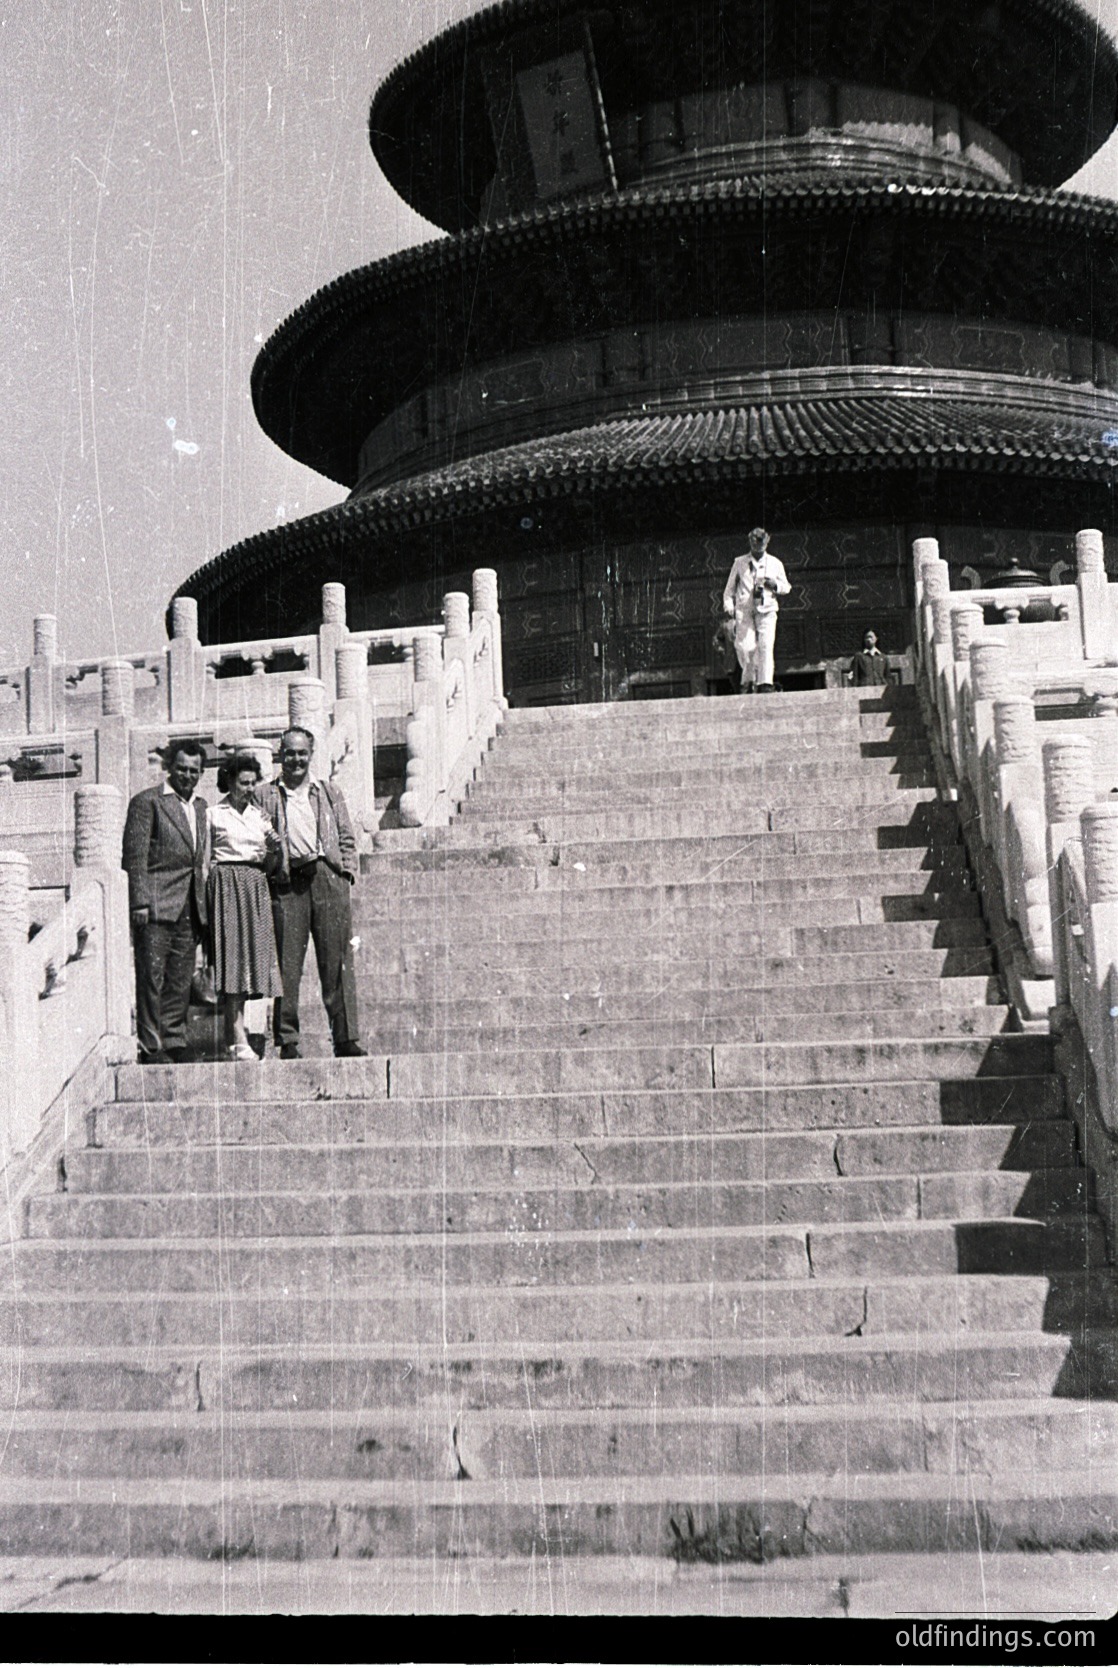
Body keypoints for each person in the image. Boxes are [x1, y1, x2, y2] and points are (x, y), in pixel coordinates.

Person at [256, 726, 367, 1060]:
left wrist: (345, 871)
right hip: (289, 882)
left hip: (327, 878)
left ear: (311, 754)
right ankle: (288, 1040)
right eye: (289, 752)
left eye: (302, 752)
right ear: (280, 755)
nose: (295, 759)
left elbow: (347, 835)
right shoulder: (266, 794)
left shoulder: (329, 791)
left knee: (337, 962)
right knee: (287, 965)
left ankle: (345, 1038)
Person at [121, 739, 209, 1064]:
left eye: (194, 771)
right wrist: (139, 902)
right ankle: (151, 1045)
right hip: (156, 904)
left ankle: (174, 1039)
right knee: (152, 977)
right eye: (182, 769)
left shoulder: (201, 807)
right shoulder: (147, 802)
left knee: (181, 977)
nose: (188, 776)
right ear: (170, 767)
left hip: (190, 905)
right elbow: (135, 857)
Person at [207, 753, 284, 1061]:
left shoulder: (260, 816)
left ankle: (240, 1035)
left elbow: (270, 861)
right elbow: (205, 859)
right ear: (229, 781)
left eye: (254, 783)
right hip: (227, 884)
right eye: (243, 783)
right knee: (232, 960)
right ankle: (237, 1036)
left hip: (255, 885)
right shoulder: (213, 814)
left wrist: (275, 849)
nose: (250, 789)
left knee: (253, 961)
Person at [722, 527, 791, 693]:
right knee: (746, 648)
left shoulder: (775, 563)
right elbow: (729, 590)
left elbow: (786, 587)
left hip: (767, 609)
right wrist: (729, 605)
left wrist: (775, 586)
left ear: (767, 542)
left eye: (761, 542)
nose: (758, 546)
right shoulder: (739, 563)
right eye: (755, 542)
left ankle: (765, 683)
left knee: (766, 646)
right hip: (744, 610)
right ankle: (749, 679)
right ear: (750, 542)